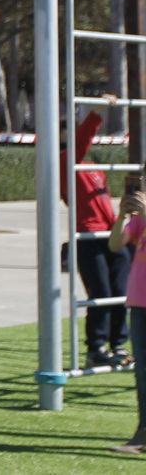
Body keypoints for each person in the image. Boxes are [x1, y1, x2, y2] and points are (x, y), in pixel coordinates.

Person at [65, 101, 130, 370]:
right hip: (89, 236)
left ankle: (118, 344)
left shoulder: (93, 167)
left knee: (122, 291)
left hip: (111, 231)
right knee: (101, 292)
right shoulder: (65, 163)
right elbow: (78, 143)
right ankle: (96, 348)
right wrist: (95, 115)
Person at [110, 183, 146, 454]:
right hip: (138, 302)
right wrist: (122, 215)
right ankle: (142, 433)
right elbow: (115, 244)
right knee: (142, 371)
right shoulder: (139, 219)